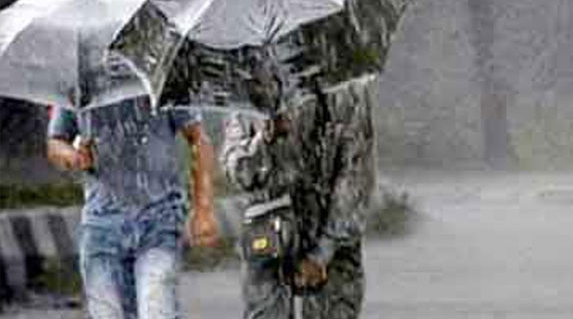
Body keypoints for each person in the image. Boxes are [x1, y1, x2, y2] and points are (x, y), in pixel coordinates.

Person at [220, 50, 376, 319]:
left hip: (332, 240)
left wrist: (322, 253)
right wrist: (263, 140)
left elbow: (356, 176)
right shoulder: (247, 89)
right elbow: (238, 172)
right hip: (268, 238)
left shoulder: (345, 87)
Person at [46, 88, 220, 318]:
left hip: (159, 220)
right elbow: (56, 142)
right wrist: (73, 157)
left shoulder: (158, 82)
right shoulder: (79, 86)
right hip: (102, 227)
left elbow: (198, 138)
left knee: (156, 308)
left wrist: (203, 208)